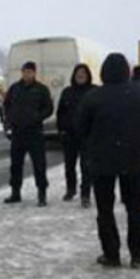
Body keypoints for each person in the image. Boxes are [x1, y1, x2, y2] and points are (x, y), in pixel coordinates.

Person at [77, 53, 140, 268]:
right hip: (134, 159)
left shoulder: (93, 97)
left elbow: (81, 127)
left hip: (102, 160)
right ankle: (137, 254)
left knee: (105, 209)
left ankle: (111, 253)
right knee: (135, 208)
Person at [3, 61, 54, 206]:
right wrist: (8, 120)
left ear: (34, 73)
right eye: (25, 71)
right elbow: (6, 106)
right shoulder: (14, 89)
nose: (27, 74)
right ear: (22, 72)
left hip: (35, 133)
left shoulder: (41, 89)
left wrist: (37, 117)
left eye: (30, 72)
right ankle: (15, 192)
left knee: (39, 164)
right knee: (15, 165)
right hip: (18, 132)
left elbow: (49, 108)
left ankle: (42, 194)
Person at [57, 63, 96, 206]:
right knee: (69, 165)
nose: (81, 76)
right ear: (74, 75)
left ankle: (85, 194)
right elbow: (60, 113)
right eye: (78, 73)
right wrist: (61, 130)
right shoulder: (67, 92)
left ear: (88, 75)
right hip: (69, 135)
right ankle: (70, 189)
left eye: (84, 73)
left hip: (87, 135)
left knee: (86, 166)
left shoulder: (93, 91)